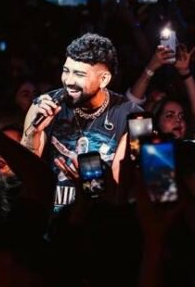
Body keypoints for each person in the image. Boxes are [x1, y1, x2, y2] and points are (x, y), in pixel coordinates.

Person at [22, 33, 140, 208]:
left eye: (79, 74)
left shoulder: (133, 117)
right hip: (49, 216)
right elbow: (24, 172)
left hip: (100, 217)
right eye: (66, 71)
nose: (68, 81)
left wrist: (87, 185)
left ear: (104, 79)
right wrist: (34, 132)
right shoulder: (42, 105)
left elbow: (121, 188)